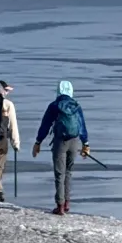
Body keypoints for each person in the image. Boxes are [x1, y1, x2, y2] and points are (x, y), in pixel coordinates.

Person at [32, 80, 89, 215]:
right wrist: (85, 144)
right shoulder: (76, 106)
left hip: (60, 142)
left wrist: (38, 142)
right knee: (68, 172)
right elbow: (81, 125)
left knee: (59, 173)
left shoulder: (54, 106)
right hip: (74, 141)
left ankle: (60, 206)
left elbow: (45, 125)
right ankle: (67, 203)